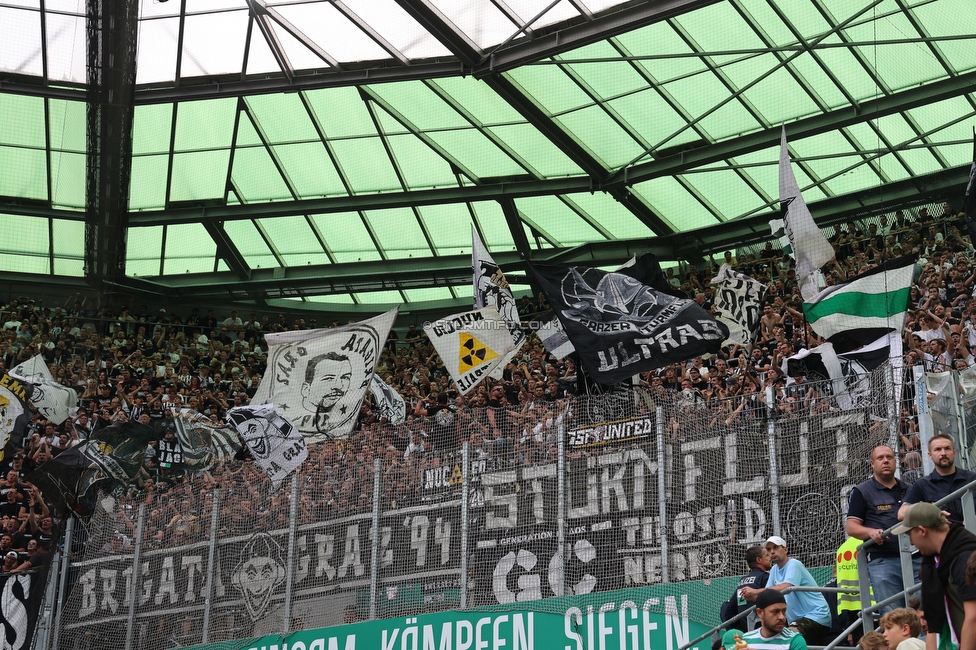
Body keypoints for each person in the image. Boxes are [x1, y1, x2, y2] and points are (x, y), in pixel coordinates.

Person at [893, 502, 976, 650]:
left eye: (909, 535)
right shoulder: (931, 565)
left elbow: (974, 617)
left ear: (922, 530)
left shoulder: (966, 557)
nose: (911, 542)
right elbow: (932, 625)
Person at [846, 445, 913, 612]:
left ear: (895, 461)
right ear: (872, 463)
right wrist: (870, 532)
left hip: (915, 557)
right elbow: (851, 527)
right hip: (883, 560)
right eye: (880, 458)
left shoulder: (910, 489)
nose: (885, 461)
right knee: (893, 615)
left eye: (889, 457)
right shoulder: (862, 491)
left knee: (922, 612)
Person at [741, 536, 831, 644]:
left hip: (816, 616)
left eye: (775, 547)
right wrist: (751, 596)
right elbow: (770, 595)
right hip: (797, 621)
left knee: (788, 636)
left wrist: (755, 591)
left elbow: (787, 587)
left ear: (785, 549)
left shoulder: (794, 564)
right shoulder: (774, 569)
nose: (772, 552)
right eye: (769, 549)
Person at [898, 434, 976, 527]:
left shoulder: (972, 479)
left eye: (947, 448)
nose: (943, 453)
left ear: (954, 453)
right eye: (938, 449)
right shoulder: (923, 484)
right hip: (943, 538)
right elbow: (901, 513)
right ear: (930, 455)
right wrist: (932, 514)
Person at [296, 352, 352, 435]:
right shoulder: (289, 421)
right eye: (329, 378)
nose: (339, 386)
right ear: (306, 389)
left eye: (345, 377)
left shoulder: (351, 416)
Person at [721, 545, 771, 633]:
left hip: (745, 633)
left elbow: (728, 612)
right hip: (763, 632)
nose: (770, 557)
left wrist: (739, 632)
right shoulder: (765, 578)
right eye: (767, 555)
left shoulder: (742, 582)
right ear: (759, 560)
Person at [740, 590, 808, 650]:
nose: (781, 617)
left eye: (784, 611)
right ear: (760, 613)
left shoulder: (795, 640)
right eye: (775, 611)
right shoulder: (746, 639)